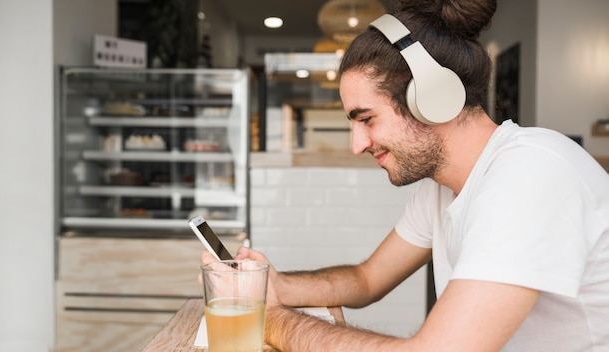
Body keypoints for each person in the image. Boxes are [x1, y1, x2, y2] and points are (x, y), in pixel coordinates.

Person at [202, 0, 609, 350]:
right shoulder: (444, 187)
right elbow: (367, 279)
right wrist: (275, 286)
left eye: (367, 119)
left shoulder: (530, 174)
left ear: (431, 98)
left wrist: (268, 319)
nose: (357, 144)